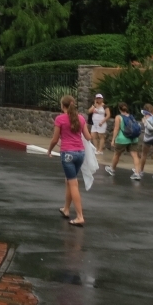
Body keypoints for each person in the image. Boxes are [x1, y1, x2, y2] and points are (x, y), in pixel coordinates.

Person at [47, 95, 91, 226]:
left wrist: (49, 150)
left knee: (73, 183)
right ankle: (66, 209)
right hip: (80, 153)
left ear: (62, 106)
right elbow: (88, 137)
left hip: (68, 154)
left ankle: (80, 216)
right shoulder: (81, 118)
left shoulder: (60, 119)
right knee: (69, 181)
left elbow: (55, 139)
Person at [105, 103, 143, 180]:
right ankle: (137, 173)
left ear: (119, 109)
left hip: (122, 139)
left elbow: (116, 129)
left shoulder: (118, 117)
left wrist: (113, 140)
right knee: (135, 156)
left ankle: (112, 169)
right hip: (133, 139)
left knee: (117, 155)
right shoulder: (131, 116)